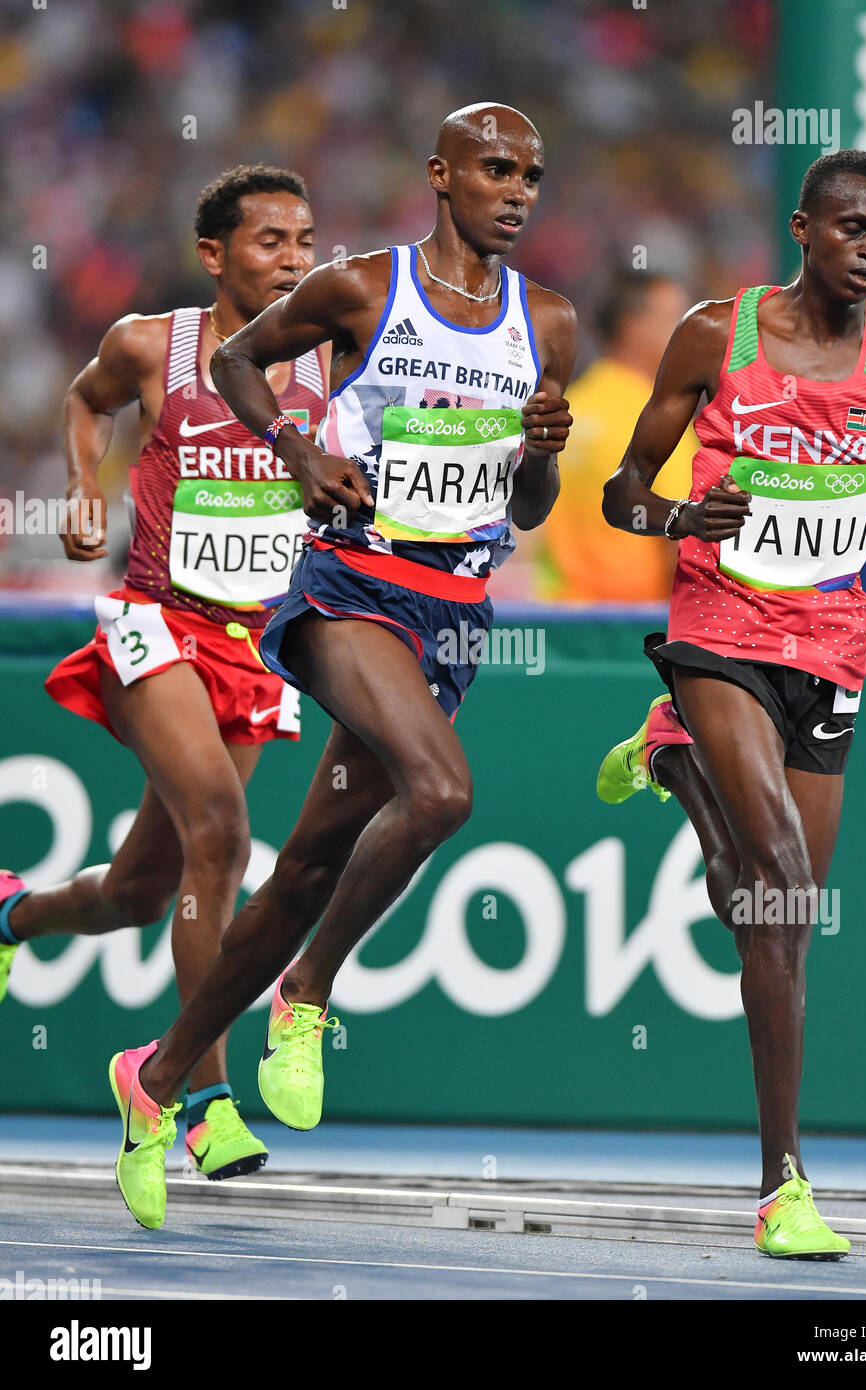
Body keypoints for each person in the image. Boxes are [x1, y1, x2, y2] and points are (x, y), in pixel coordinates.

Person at [102, 103, 577, 1229]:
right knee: (442, 791)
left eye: (532, 176)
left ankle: (155, 1077)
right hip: (350, 586)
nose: (516, 191)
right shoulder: (362, 287)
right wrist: (298, 446)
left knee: (308, 866)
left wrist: (542, 454)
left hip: (456, 608)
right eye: (495, 169)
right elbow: (232, 360)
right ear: (440, 174)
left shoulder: (546, 321)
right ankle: (307, 994)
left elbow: (527, 503)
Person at [597, 149, 866, 1258]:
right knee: (785, 887)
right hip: (718, 630)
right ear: (802, 228)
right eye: (854, 229)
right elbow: (621, 492)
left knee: (772, 914)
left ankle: (671, 757)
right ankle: (781, 1183)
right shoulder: (716, 334)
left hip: (831, 642)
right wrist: (675, 523)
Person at [0, 165, 328, 1183]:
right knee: (221, 838)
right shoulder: (152, 343)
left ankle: (13, 911)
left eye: (306, 240)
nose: (294, 259)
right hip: (155, 622)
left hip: (252, 649)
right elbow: (83, 402)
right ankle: (200, 1099)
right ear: (216, 254)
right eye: (271, 241)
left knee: (144, 891)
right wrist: (80, 486)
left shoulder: (327, 359)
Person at [534, 271, 696, 601]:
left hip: (562, 619)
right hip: (633, 627)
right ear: (633, 327)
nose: (691, 334)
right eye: (675, 318)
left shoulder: (570, 407)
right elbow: (681, 535)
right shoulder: (657, 418)